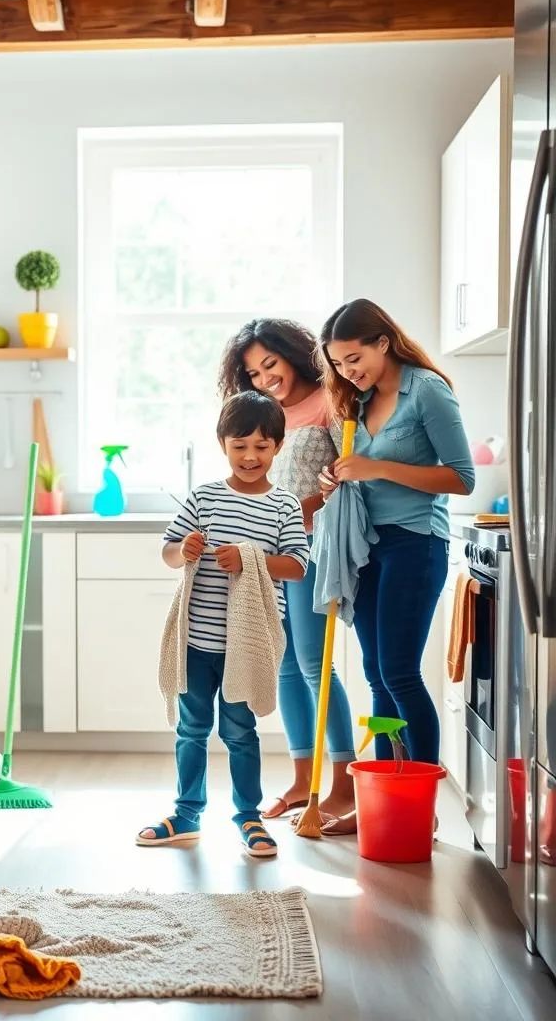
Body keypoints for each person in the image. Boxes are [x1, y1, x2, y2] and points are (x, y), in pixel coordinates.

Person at [137, 391, 309, 858]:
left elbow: (297, 564)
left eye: (261, 446)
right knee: (191, 730)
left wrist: (250, 558)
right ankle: (187, 813)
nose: (250, 456)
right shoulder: (205, 497)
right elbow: (168, 551)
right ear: (222, 444)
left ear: (277, 446)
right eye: (240, 446)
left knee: (239, 731)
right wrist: (184, 549)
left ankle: (248, 817)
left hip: (246, 645)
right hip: (196, 640)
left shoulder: (284, 505)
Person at [318, 298, 474, 796]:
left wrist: (377, 467)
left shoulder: (426, 391)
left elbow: (462, 478)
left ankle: (419, 800)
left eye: (354, 359)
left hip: (416, 543)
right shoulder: (357, 403)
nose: (348, 371)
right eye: (338, 364)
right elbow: (360, 475)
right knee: (376, 676)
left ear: (383, 342)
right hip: (367, 546)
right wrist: (336, 480)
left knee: (400, 672)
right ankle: (385, 796)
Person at [218, 320, 356, 826]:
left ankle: (343, 784)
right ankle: (304, 781)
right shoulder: (268, 415)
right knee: (285, 666)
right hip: (272, 554)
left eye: (269, 365)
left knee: (316, 665)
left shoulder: (331, 399)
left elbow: (348, 478)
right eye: (253, 373)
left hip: (316, 548)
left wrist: (305, 506)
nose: (264, 378)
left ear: (293, 354)